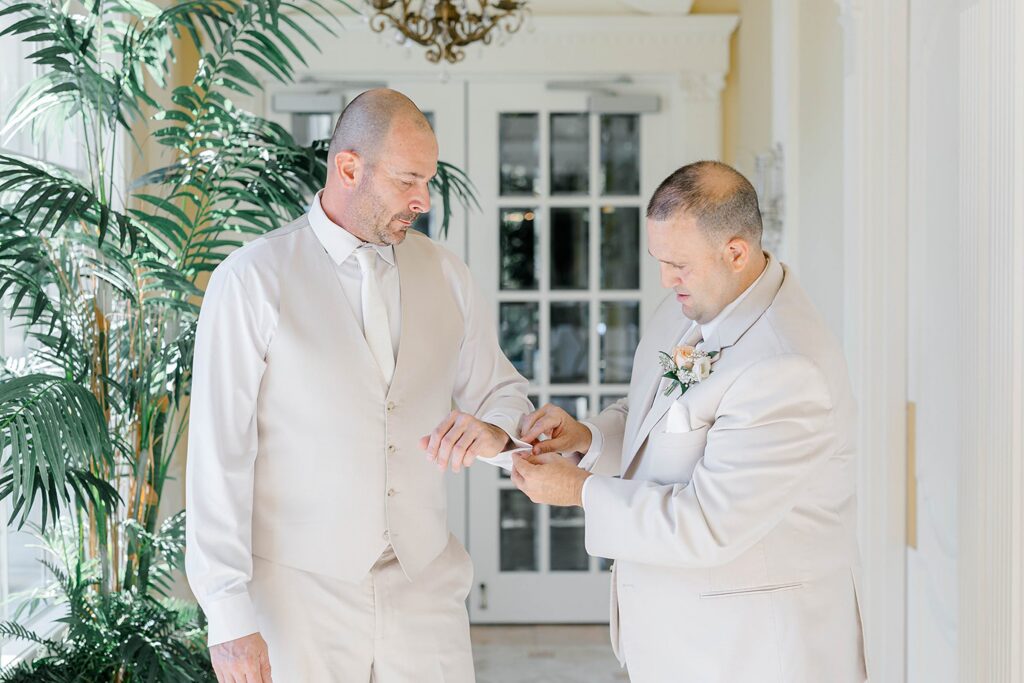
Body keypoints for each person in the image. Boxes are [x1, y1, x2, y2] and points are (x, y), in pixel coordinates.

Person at [185, 88, 532, 683]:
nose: (423, 199)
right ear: (349, 167)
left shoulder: (446, 272)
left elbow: (502, 392)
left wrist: (495, 428)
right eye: (407, 181)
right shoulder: (251, 279)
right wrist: (226, 613)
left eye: (428, 179)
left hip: (425, 586)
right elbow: (220, 458)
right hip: (296, 594)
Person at [512, 161, 868, 682]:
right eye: (661, 260)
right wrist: (587, 438)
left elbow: (708, 524)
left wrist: (580, 491)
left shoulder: (788, 368)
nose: (665, 279)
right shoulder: (688, 305)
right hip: (681, 644)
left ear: (736, 252)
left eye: (678, 263)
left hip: (752, 655)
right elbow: (652, 415)